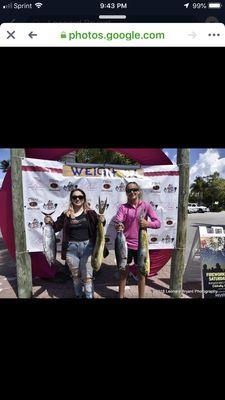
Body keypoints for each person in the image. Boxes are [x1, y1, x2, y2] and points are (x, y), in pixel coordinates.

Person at [44, 188, 106, 299]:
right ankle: (78, 295)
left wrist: (102, 219)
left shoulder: (90, 213)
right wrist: (49, 221)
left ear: (84, 199)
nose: (77, 199)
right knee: (76, 276)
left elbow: (100, 224)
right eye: (74, 197)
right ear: (71, 199)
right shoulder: (66, 214)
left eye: (80, 197)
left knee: (88, 277)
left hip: (88, 247)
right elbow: (56, 227)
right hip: (70, 249)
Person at [115, 182, 161, 299]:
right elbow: (118, 220)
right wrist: (119, 225)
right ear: (126, 193)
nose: (132, 192)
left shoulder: (146, 206)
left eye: (134, 189)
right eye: (129, 190)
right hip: (125, 246)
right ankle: (121, 296)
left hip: (141, 246)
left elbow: (158, 223)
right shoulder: (123, 207)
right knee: (123, 273)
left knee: (141, 274)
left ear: (139, 191)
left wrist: (147, 223)